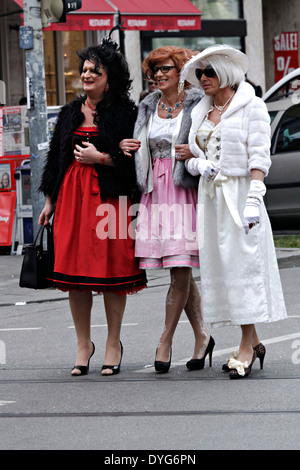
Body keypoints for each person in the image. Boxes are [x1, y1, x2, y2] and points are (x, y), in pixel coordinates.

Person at [38, 33, 147, 377]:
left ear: (109, 78)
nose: (86, 76)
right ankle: (84, 344)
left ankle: (113, 342)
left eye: (94, 72)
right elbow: (56, 159)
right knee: (76, 275)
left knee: (114, 272)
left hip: (112, 200)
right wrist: (49, 201)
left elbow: (133, 162)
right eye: (84, 70)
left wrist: (100, 157)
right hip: (72, 199)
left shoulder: (126, 113)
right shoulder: (71, 111)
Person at [179, 44, 287, 379]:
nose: (203, 79)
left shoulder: (252, 106)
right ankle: (254, 342)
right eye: (200, 73)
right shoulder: (201, 110)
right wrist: (199, 164)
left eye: (209, 72)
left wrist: (255, 195)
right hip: (211, 197)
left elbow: (260, 155)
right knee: (223, 268)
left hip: (240, 196)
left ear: (226, 72)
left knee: (243, 264)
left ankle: (245, 346)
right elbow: (192, 153)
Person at [120, 46, 214, 373]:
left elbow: (212, 138)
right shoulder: (148, 106)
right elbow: (140, 144)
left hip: (183, 189)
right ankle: (202, 336)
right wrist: (126, 145)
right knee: (180, 265)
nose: (159, 75)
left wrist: (195, 150)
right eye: (155, 70)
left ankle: (165, 340)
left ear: (181, 71)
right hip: (154, 190)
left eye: (166, 69)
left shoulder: (198, 104)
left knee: (179, 265)